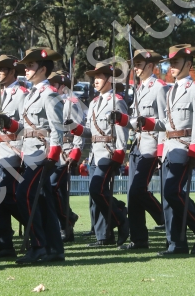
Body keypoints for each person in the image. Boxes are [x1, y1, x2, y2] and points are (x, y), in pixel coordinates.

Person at [139, 44, 195, 256]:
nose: (171, 66)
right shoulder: (172, 90)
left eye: (176, 62)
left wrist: (194, 152)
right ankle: (176, 244)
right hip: (169, 149)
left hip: (184, 148)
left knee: (173, 192)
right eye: (170, 62)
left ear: (188, 64)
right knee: (168, 198)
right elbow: (166, 123)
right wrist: (146, 122)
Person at [11, 47, 66, 263]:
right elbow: (26, 127)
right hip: (30, 153)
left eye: (30, 66)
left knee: (23, 195)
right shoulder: (31, 94)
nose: (26, 69)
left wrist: (53, 155)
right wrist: (8, 124)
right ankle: (55, 249)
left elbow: (57, 128)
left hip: (42, 154)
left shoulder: (50, 94)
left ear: (42, 69)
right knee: (44, 202)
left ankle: (38, 245)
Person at [111, 49, 166, 251]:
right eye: (135, 65)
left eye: (140, 65)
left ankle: (165, 217)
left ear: (150, 66)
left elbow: (165, 122)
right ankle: (139, 239)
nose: (136, 69)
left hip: (151, 145)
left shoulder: (159, 88)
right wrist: (121, 119)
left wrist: (160, 150)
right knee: (132, 195)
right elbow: (136, 122)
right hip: (137, 144)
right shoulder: (139, 89)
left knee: (138, 190)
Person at [71, 62, 130, 249]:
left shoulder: (117, 101)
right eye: (94, 77)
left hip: (109, 152)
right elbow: (91, 131)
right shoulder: (94, 102)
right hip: (95, 155)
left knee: (97, 190)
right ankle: (104, 236)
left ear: (109, 79)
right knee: (97, 194)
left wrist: (120, 154)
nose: (95, 81)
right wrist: (76, 129)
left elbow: (122, 130)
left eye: (99, 77)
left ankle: (121, 219)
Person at [0, 55, 29, 259]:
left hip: (13, 152)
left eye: (1, 69)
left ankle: (39, 227)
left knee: (5, 197)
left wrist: (10, 126)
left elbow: (28, 127)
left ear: (12, 71)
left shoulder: (21, 94)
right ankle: (3, 246)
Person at [46, 70, 83, 243]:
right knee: (58, 191)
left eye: (54, 84)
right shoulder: (50, 100)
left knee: (54, 187)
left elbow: (79, 128)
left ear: (62, 86)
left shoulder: (71, 103)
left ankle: (66, 221)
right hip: (51, 150)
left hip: (65, 152)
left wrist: (76, 151)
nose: (51, 87)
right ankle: (66, 225)